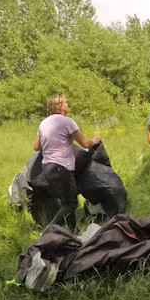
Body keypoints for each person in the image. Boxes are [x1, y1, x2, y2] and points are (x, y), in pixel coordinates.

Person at [33, 93, 101, 229]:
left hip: (47, 168)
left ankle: (73, 230)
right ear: (60, 106)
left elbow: (36, 146)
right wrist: (95, 139)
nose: (67, 104)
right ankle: (48, 232)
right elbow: (86, 144)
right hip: (61, 168)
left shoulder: (44, 123)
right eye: (66, 102)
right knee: (71, 204)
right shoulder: (67, 122)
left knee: (66, 201)